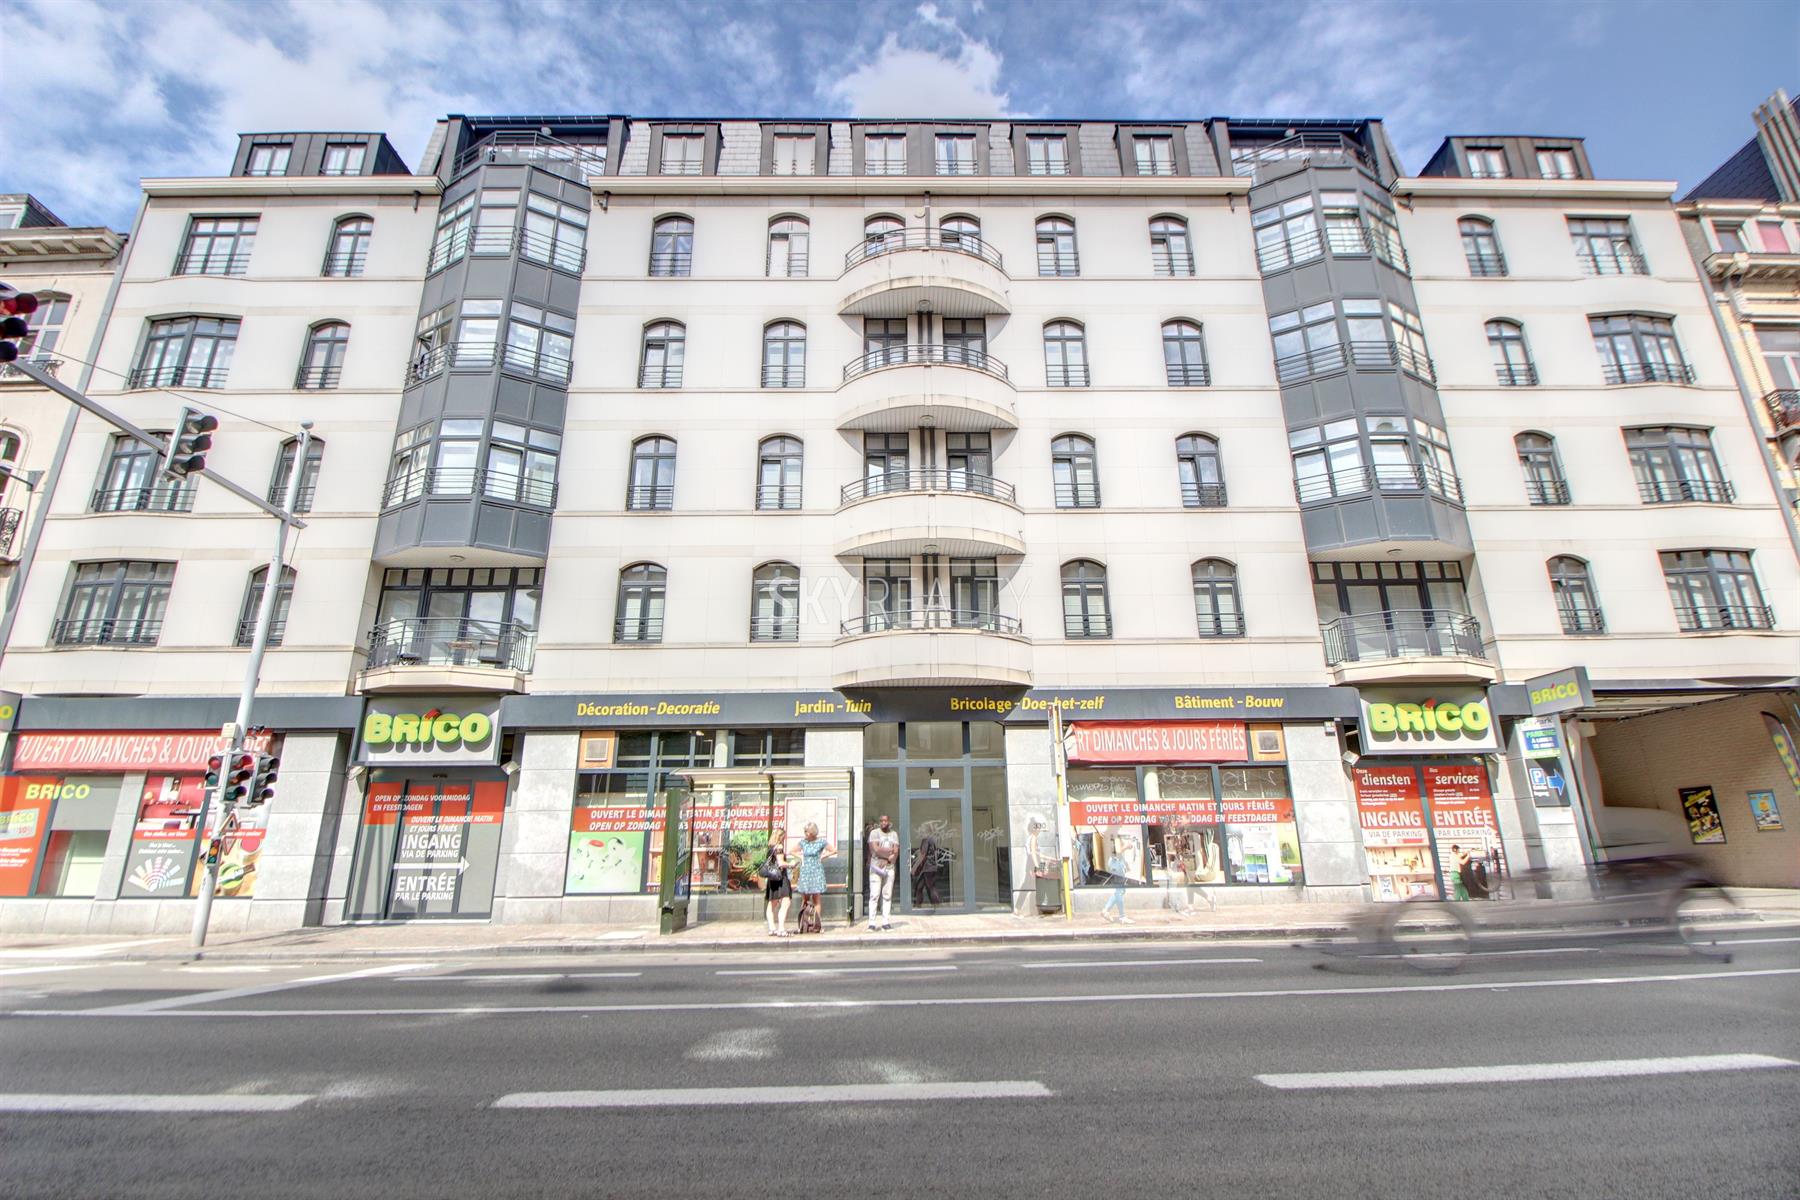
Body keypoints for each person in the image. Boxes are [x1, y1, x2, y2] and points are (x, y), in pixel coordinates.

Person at [794, 822, 833, 933]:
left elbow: (833, 850)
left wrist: (823, 856)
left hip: (816, 871)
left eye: (807, 831)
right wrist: (801, 857)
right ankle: (802, 924)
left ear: (812, 832)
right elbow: (792, 851)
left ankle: (817, 925)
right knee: (805, 899)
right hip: (806, 871)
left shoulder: (821, 842)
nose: (805, 833)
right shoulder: (803, 842)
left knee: (816, 899)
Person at [867, 813, 900, 930]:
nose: (883, 823)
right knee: (874, 895)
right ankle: (872, 923)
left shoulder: (894, 834)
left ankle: (885, 922)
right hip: (876, 868)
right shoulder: (874, 833)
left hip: (889, 868)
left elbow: (896, 852)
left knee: (887, 895)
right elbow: (875, 850)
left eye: (885, 821)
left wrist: (887, 859)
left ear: (889, 822)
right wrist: (889, 852)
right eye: (881, 821)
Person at [762, 845, 793, 936]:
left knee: (771, 905)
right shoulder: (779, 847)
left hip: (772, 880)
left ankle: (772, 928)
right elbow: (780, 863)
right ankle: (781, 929)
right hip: (781, 879)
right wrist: (791, 865)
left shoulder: (772, 847)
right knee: (785, 902)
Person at [1101, 839, 1132, 924]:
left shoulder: (1112, 835)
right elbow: (1118, 851)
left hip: (1114, 863)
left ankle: (1106, 910)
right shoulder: (1115, 836)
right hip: (1116, 864)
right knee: (1120, 891)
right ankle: (1122, 916)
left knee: (1120, 890)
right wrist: (1127, 846)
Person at [912, 829, 942, 908]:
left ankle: (937, 905)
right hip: (929, 867)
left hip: (927, 867)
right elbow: (935, 854)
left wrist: (915, 867)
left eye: (921, 832)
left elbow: (923, 855)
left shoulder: (926, 840)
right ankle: (917, 904)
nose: (919, 834)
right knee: (919, 886)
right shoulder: (933, 840)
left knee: (931, 887)